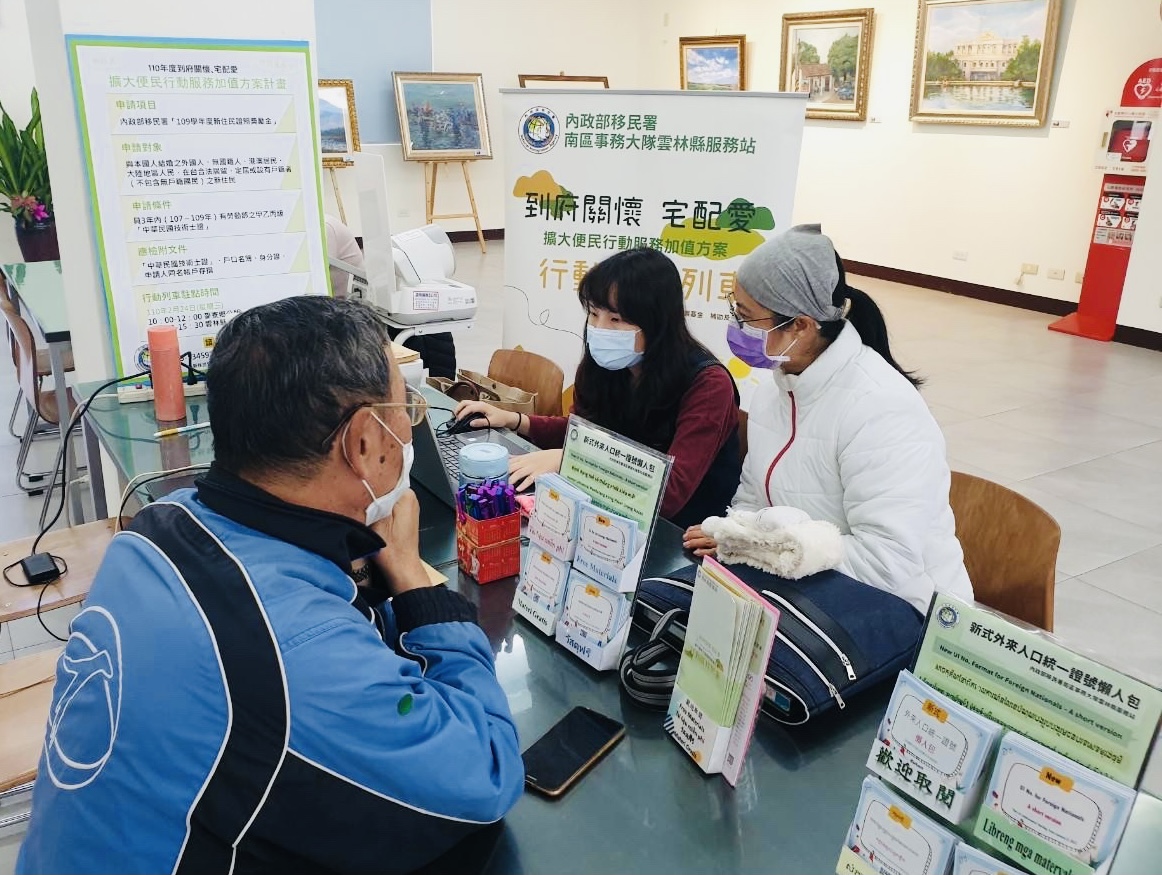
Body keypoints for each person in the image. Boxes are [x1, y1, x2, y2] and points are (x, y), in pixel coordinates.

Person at [17, 297, 524, 874]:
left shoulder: (158, 527)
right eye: (404, 405)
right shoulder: (296, 653)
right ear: (362, 441)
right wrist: (411, 576)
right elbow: (484, 771)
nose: (409, 423)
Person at [683, 225, 972, 615]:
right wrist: (734, 534)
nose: (737, 327)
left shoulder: (881, 407)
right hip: (805, 591)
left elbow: (887, 564)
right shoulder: (777, 389)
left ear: (801, 326)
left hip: (894, 616)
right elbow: (751, 498)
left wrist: (762, 544)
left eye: (748, 318)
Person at [455, 248, 742, 529]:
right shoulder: (605, 366)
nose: (600, 328)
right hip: (606, 516)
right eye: (593, 313)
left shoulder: (707, 385)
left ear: (658, 322)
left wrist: (572, 462)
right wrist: (516, 420)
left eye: (616, 319)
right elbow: (587, 434)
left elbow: (670, 494)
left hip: (680, 536)